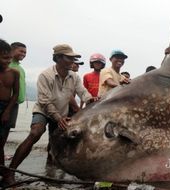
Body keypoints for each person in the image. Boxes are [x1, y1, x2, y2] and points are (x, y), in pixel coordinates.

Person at [3, 44, 98, 184]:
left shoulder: (74, 77)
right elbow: (44, 101)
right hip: (43, 111)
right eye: (69, 58)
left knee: (55, 142)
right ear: (58, 58)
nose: (72, 61)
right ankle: (10, 172)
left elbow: (83, 93)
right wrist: (58, 118)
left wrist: (91, 99)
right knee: (36, 132)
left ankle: (50, 170)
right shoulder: (45, 75)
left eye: (73, 58)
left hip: (61, 113)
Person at [0, 39, 19, 178]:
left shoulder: (14, 72)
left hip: (7, 107)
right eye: (5, 58)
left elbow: (16, 93)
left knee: (1, 141)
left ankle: (3, 170)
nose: (8, 61)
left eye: (10, 58)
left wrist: (7, 111)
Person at [8, 42, 27, 129]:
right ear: (11, 50)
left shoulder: (21, 69)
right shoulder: (6, 65)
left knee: (7, 127)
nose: (23, 54)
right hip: (6, 102)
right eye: (21, 51)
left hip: (16, 103)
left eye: (25, 52)